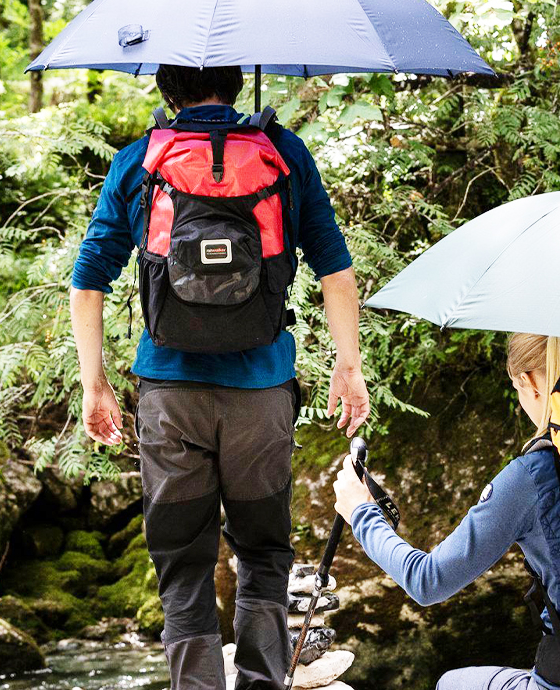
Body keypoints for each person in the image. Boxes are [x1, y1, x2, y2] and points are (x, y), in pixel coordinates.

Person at [70, 64, 370, 690]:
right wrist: (349, 366)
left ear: (166, 91)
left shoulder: (138, 161)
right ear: (237, 86)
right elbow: (335, 271)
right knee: (263, 552)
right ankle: (264, 682)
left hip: (169, 392)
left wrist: (93, 381)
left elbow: (89, 277)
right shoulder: (283, 155)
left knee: (182, 563)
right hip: (260, 395)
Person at [333, 334, 560, 690]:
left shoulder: (535, 474)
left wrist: (361, 512)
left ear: (528, 382)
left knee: (452, 683)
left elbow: (427, 580)